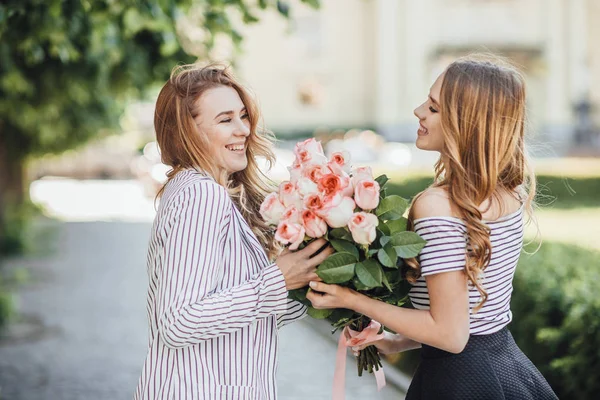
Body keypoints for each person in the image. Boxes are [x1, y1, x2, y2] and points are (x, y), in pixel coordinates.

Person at [307, 55, 559, 399]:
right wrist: (395, 339)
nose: (418, 111)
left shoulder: (438, 206)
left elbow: (452, 336)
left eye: (434, 108)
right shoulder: (509, 192)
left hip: (460, 382)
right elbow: (470, 318)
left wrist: (351, 298)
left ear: (465, 123)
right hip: (505, 366)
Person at [134, 64, 333, 400]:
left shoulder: (199, 190)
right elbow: (179, 321)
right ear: (188, 132)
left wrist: (313, 283)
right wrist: (277, 281)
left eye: (243, 116)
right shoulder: (201, 195)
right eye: (225, 120)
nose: (244, 129)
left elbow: (241, 315)